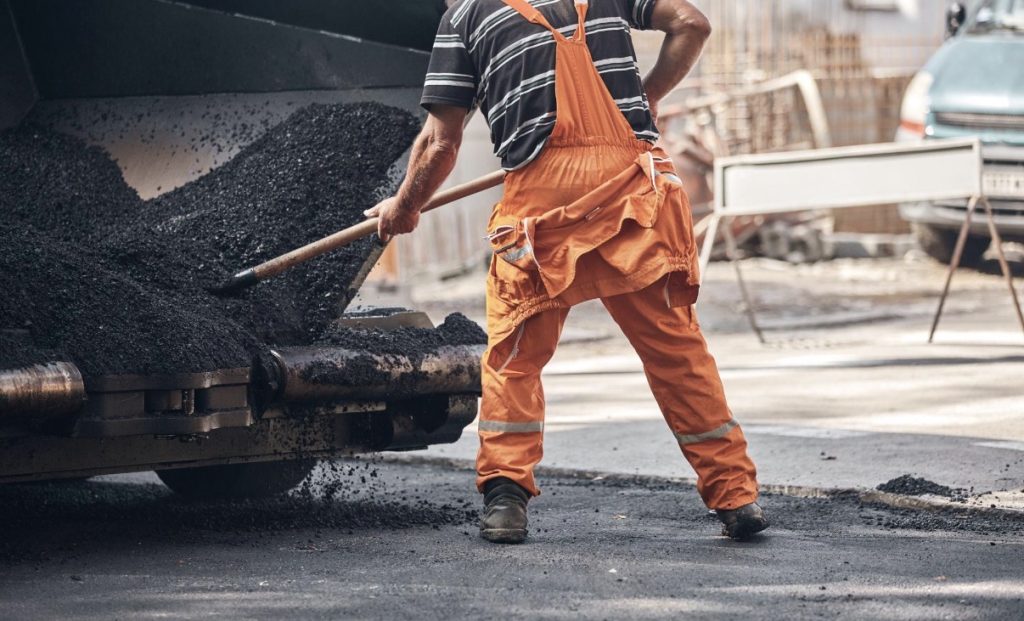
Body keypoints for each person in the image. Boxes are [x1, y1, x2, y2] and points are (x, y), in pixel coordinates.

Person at [365, 0, 767, 543]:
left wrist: (405, 207)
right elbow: (692, 23)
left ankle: (506, 500)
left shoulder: (463, 19)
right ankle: (736, 497)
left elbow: (441, 140)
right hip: (633, 192)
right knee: (677, 354)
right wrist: (645, 99)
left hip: (543, 209)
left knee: (514, 358)